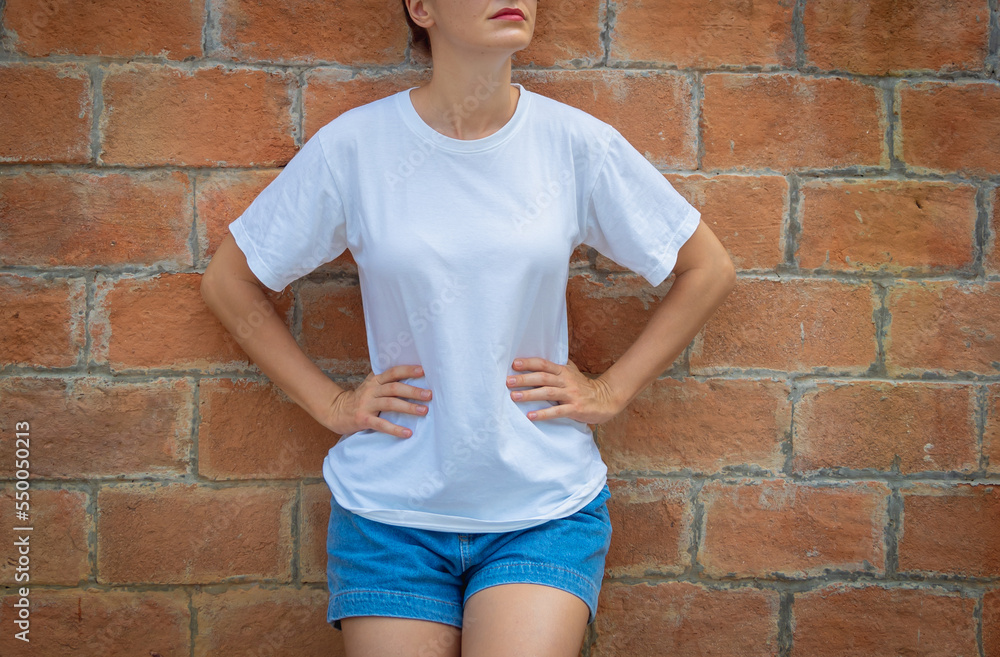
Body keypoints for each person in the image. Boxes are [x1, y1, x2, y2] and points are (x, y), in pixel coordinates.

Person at [200, 0, 735, 654]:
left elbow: (706, 267)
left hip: (541, 509)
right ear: (421, 7)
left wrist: (612, 390)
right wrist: (331, 403)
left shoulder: (573, 144)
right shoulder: (357, 147)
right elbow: (229, 282)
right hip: (390, 519)